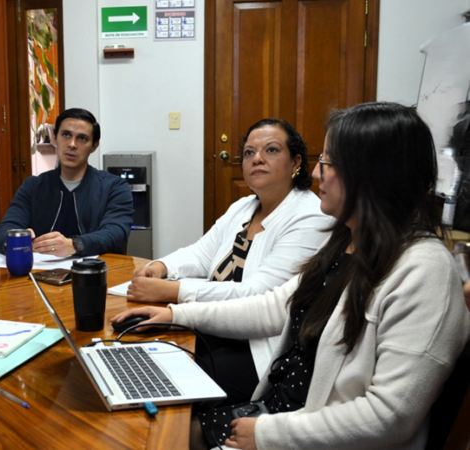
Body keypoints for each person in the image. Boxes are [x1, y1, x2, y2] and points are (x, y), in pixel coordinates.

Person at [113, 102, 470, 450]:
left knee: (155, 429)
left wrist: (267, 434)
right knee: (148, 426)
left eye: (329, 162)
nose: (317, 174)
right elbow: (273, 307)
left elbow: (390, 416)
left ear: (376, 174)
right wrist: (175, 314)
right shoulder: (346, 242)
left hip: (299, 432)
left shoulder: (424, 270)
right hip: (279, 414)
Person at [128, 118, 332, 402]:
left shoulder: (310, 216)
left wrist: (173, 291)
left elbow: (257, 295)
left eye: (271, 150)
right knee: (144, 347)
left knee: (173, 378)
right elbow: (201, 253)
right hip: (215, 323)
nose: (257, 158)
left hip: (258, 344)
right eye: (249, 152)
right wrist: (161, 267)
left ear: (296, 162)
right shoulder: (244, 206)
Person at [0, 108, 133, 257]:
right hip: (40, 273)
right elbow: (6, 229)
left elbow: (116, 233)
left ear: (94, 146)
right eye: (66, 135)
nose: (72, 144)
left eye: (82, 138)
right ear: (55, 138)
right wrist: (14, 240)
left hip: (96, 274)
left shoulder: (114, 187)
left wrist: (74, 245)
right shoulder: (33, 186)